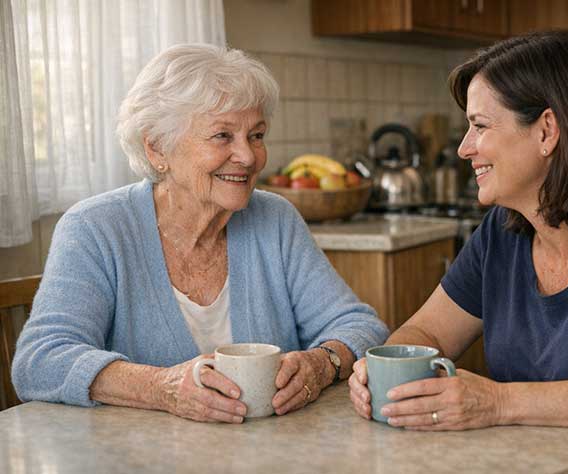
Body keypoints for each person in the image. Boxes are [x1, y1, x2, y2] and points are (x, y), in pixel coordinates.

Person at [349, 30, 568, 473]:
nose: (465, 148)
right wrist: (388, 373)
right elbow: (425, 334)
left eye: (479, 126)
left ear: (546, 130)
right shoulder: (503, 232)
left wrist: (497, 402)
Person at [12, 43, 389, 423]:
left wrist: (321, 362)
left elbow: (361, 326)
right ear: (158, 146)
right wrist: (162, 387)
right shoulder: (95, 228)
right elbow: (40, 360)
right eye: (223, 136)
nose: (248, 156)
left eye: (256, 135)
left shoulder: (275, 219)